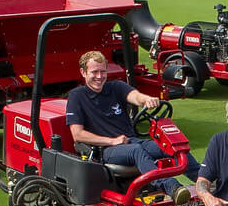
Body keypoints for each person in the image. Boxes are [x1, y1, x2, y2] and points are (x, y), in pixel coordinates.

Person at [64, 49, 181, 178]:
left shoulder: (116, 87)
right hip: (106, 150)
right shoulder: (77, 96)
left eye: (103, 71)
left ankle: (202, 182)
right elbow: (78, 134)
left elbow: (135, 97)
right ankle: (172, 188)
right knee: (136, 151)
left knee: (173, 147)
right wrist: (112, 141)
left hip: (131, 141)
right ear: (83, 72)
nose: (99, 76)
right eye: (94, 72)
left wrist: (146, 100)